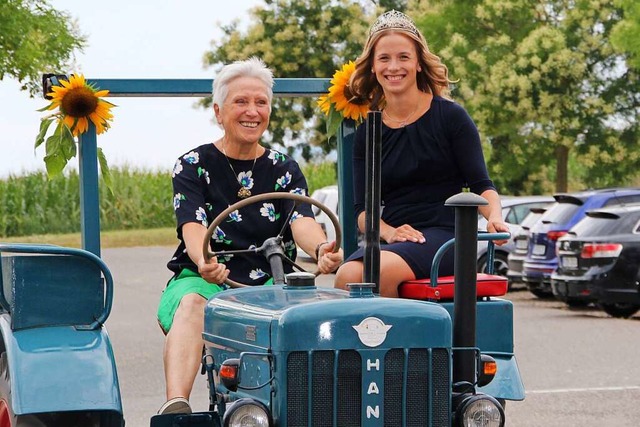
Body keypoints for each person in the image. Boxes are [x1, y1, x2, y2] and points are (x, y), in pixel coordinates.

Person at [156, 57, 343, 415]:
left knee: (327, 314)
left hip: (274, 286)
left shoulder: (283, 168)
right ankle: (176, 408)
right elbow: (193, 226)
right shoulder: (193, 165)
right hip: (205, 279)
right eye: (241, 102)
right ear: (218, 111)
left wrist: (321, 247)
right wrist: (205, 260)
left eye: (260, 102)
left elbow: (300, 219)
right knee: (194, 304)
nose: (252, 111)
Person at [334, 10, 509, 298]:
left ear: (418, 63)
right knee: (347, 274)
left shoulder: (451, 117)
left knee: (377, 270)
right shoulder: (369, 131)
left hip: (446, 238)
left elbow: (482, 187)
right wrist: (389, 232)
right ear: (373, 67)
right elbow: (362, 214)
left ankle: (393, 344)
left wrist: (495, 217)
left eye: (403, 57)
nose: (394, 66)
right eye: (384, 59)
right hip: (395, 239)